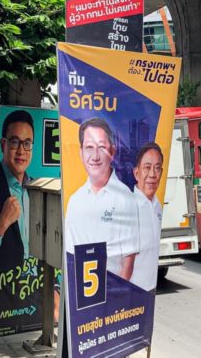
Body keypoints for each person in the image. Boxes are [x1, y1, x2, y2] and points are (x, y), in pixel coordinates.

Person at [64, 118, 140, 280]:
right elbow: (69, 254)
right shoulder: (74, 200)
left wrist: (116, 295)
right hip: (80, 293)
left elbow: (128, 260)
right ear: (81, 152)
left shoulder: (125, 198)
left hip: (112, 293)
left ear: (112, 152)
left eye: (102, 148)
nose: (95, 156)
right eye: (89, 148)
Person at [0, 110, 34, 270]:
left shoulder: (35, 189)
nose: (21, 151)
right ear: (3, 144)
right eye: (15, 142)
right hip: (6, 289)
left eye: (27, 144)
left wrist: (56, 286)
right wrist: (1, 224)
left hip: (36, 284)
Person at [130, 142, 164, 291]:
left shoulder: (157, 206)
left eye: (157, 168)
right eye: (147, 167)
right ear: (136, 173)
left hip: (151, 288)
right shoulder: (127, 207)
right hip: (131, 290)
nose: (152, 174)